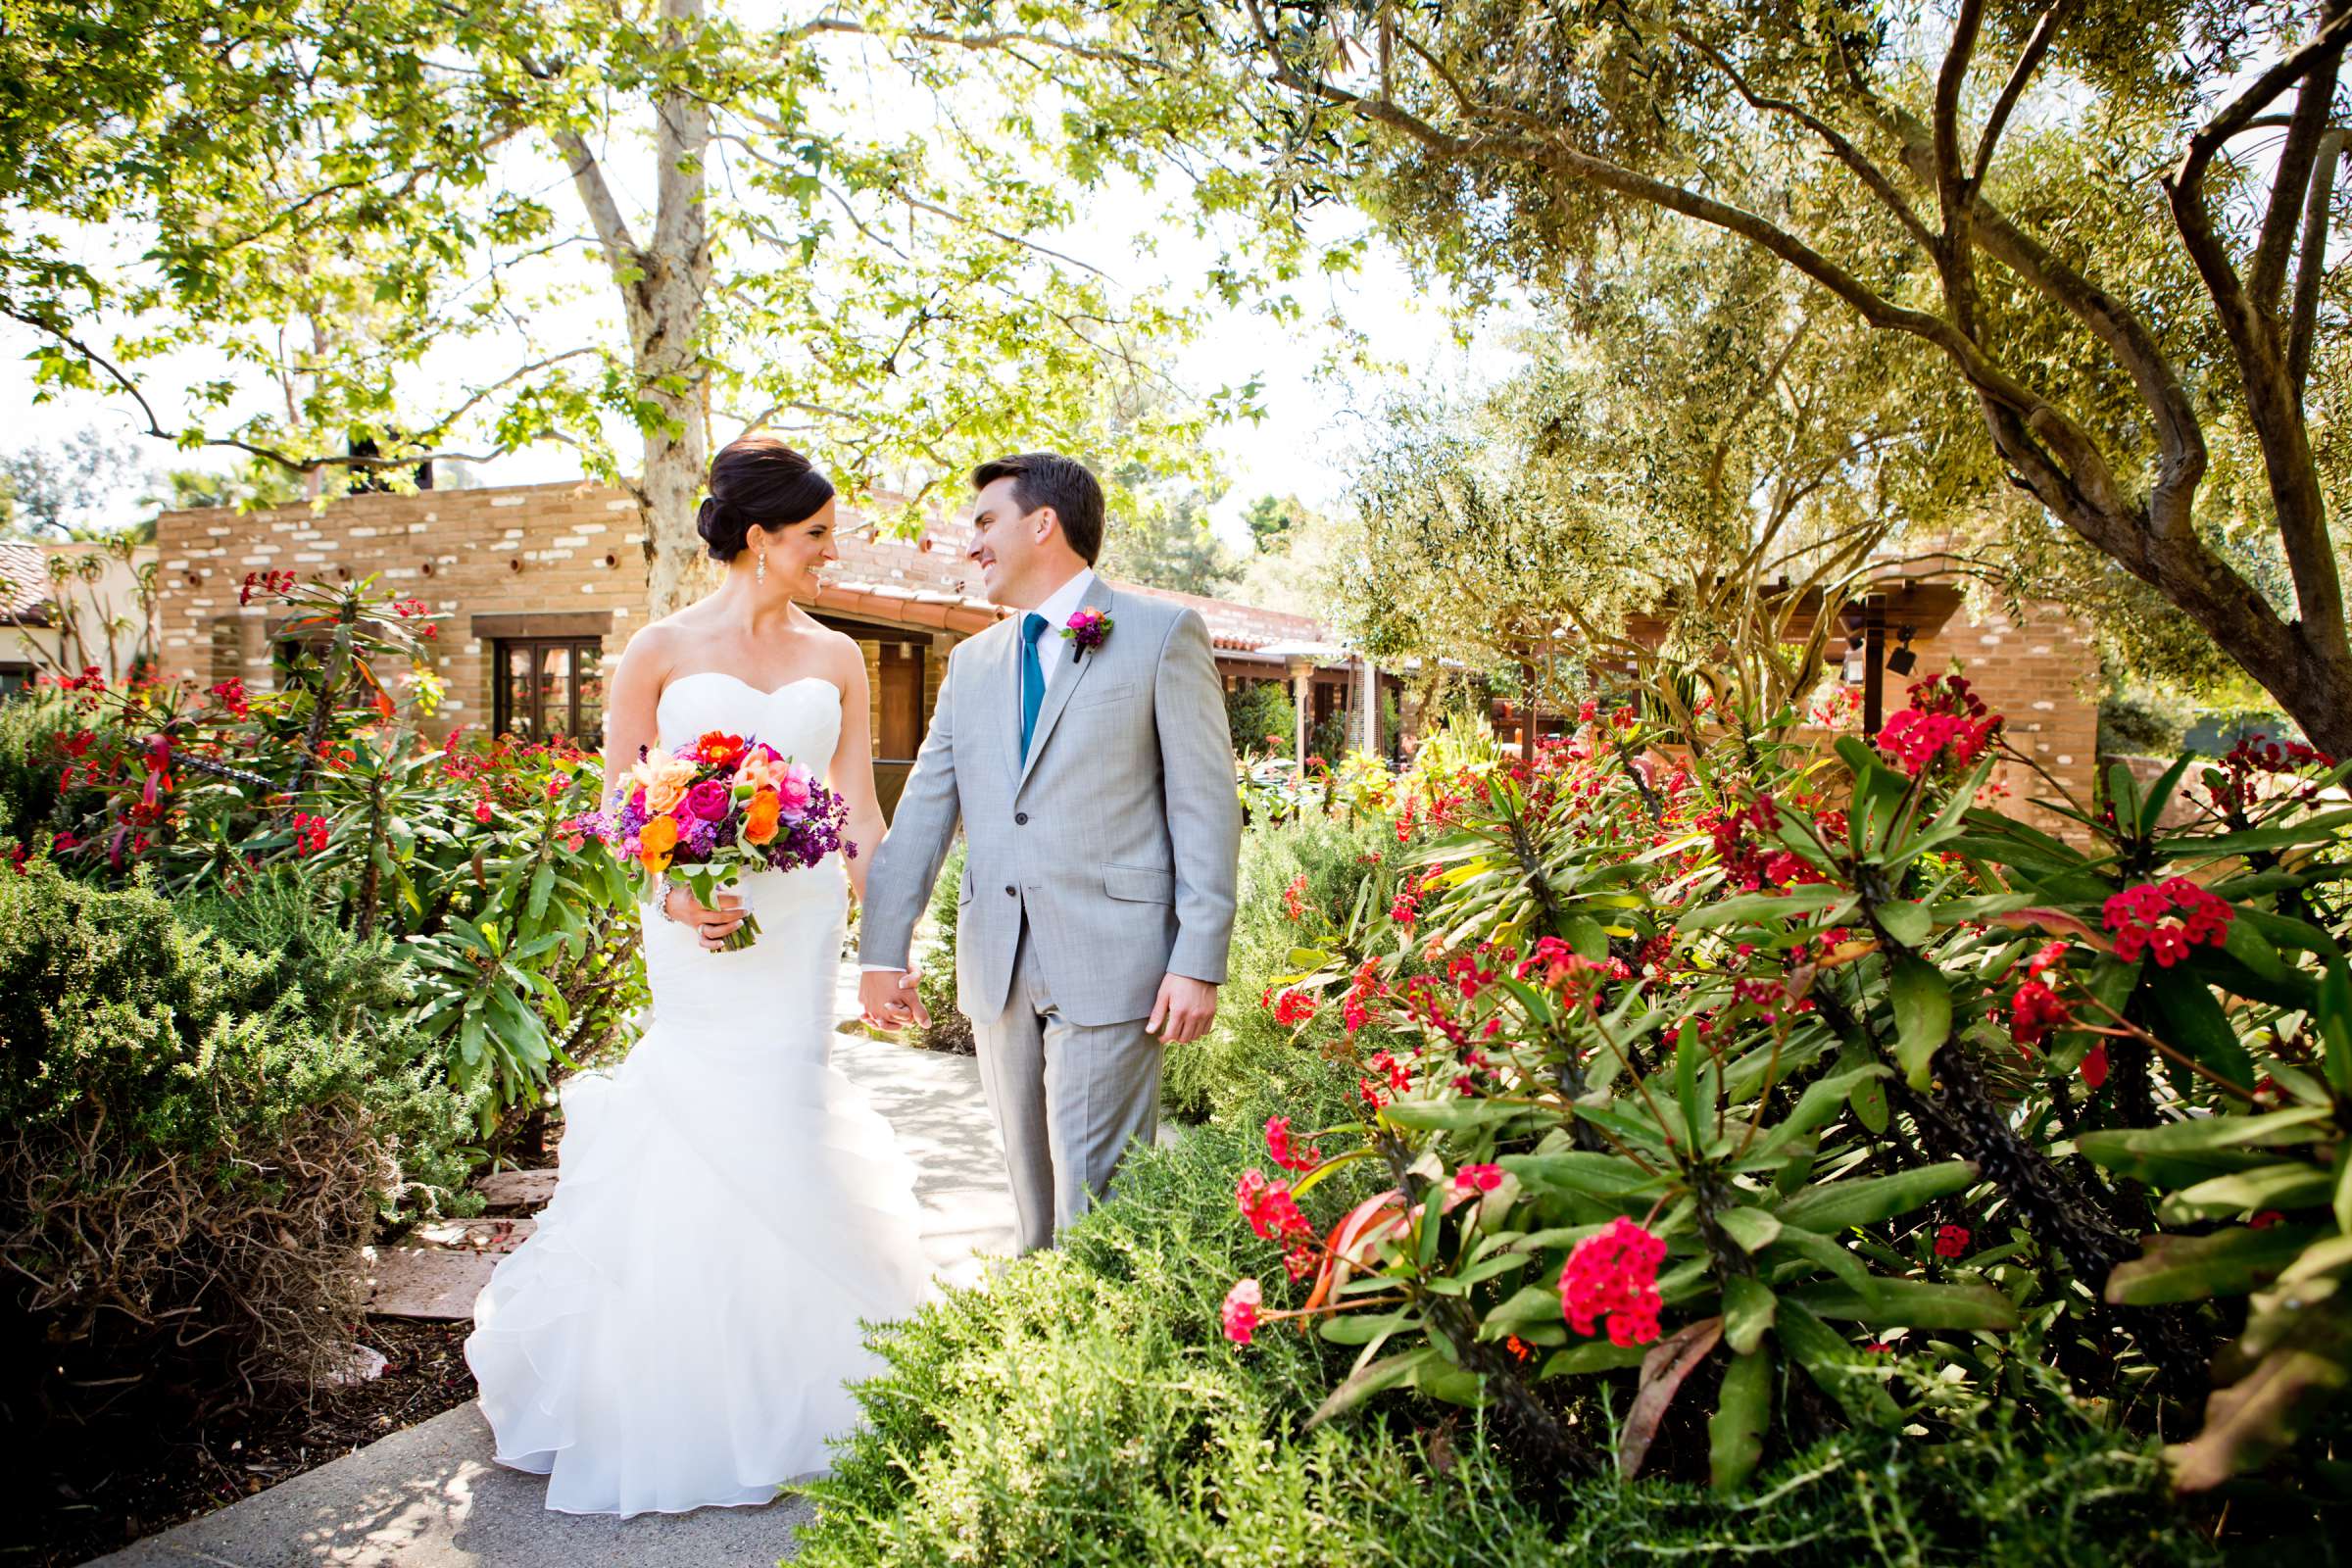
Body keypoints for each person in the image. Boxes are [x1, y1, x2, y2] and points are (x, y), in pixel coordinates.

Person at [465, 435, 928, 1517]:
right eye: (815, 535)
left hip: (799, 926)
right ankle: (677, 1394)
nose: (828, 551)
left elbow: (858, 812)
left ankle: (799, 1383)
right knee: (701, 1114)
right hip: (695, 927)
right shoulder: (656, 650)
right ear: (761, 539)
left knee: (786, 1111)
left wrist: (888, 945)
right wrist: (674, 889)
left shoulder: (843, 659)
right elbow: (621, 807)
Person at [857, 452, 1243, 1253]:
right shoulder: (971, 665)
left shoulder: (1162, 635)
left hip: (1117, 962)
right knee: (1032, 1210)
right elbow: (926, 812)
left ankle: (1105, 1360)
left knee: (1098, 1206)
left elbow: (1205, 807)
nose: (974, 547)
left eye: (986, 523)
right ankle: (1045, 1355)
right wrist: (882, 951)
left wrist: (1198, 958)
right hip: (997, 967)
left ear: (1044, 523)